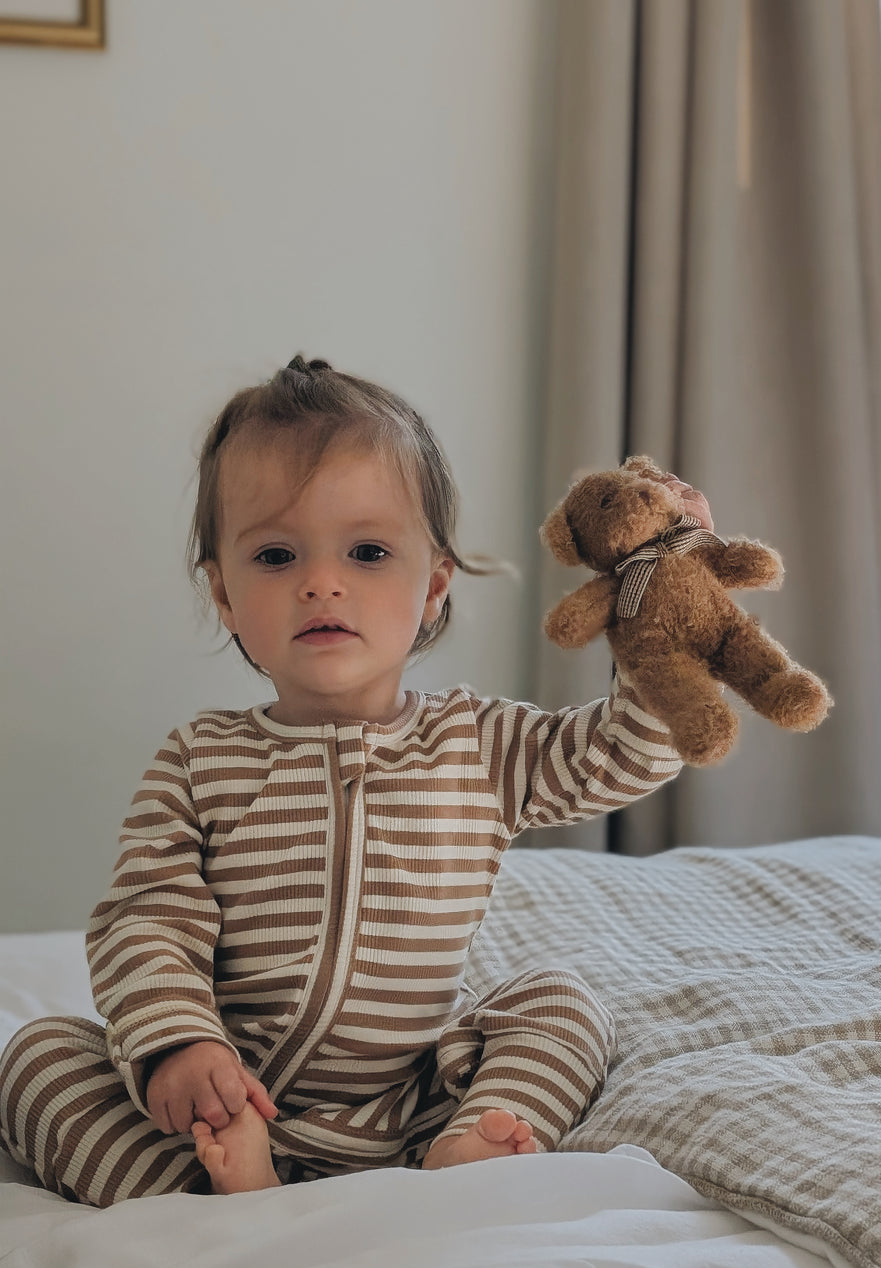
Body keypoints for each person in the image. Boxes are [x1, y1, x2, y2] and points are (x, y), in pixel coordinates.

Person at [0, 355, 706, 1206]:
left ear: (434, 585)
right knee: (37, 1061)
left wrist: (666, 601)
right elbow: (145, 920)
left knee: (563, 1002)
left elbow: (628, 751)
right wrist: (179, 1047)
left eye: (368, 551)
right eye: (274, 555)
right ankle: (216, 1199)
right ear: (223, 596)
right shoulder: (198, 760)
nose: (321, 582)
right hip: (231, 1102)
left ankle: (468, 1152)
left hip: (411, 1098)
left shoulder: (479, 744)